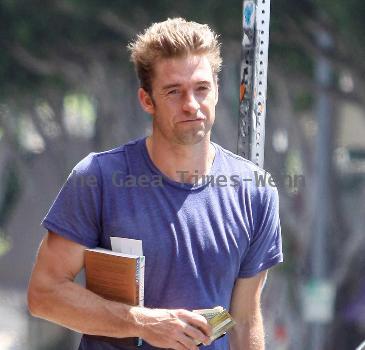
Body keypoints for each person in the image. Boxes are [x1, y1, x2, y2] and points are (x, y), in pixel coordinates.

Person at [27, 18, 283, 350]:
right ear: (147, 101)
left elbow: (245, 320)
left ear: (217, 91)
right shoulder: (98, 178)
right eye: (174, 92)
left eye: (201, 88)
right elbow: (44, 294)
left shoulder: (255, 191)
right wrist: (143, 322)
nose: (191, 103)